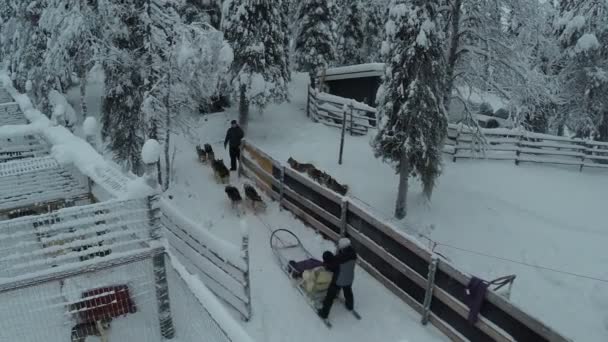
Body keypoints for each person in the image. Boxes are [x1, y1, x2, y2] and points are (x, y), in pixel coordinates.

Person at [318, 238, 357, 319]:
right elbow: (344, 259)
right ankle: (350, 306)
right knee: (348, 291)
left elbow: (331, 267)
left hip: (339, 280)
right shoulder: (353, 254)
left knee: (330, 295)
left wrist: (326, 264)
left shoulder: (338, 259)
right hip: (349, 277)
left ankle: (324, 313)